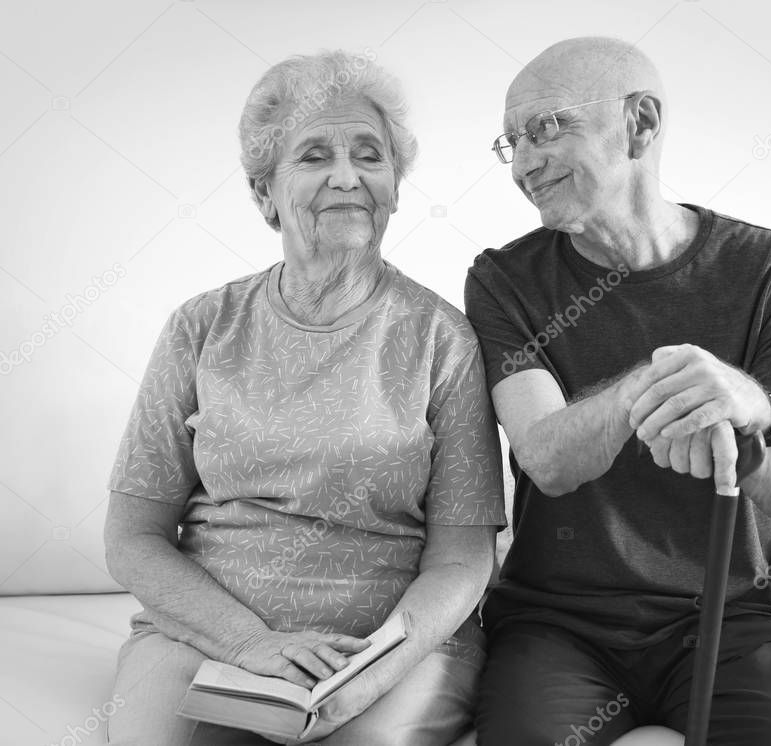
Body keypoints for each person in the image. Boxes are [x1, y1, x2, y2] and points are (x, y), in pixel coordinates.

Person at [103, 49, 506, 746]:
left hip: (386, 648)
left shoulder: (443, 337)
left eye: (369, 156)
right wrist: (247, 642)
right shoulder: (201, 326)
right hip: (206, 636)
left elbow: (461, 558)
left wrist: (381, 669)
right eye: (314, 156)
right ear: (265, 192)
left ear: (394, 186)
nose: (346, 177)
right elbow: (132, 538)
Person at [464, 37, 771, 746]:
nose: (522, 164)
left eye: (546, 128)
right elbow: (547, 458)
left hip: (728, 617)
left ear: (639, 122)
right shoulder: (503, 280)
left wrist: (749, 401)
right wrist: (656, 381)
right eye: (509, 143)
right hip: (557, 622)